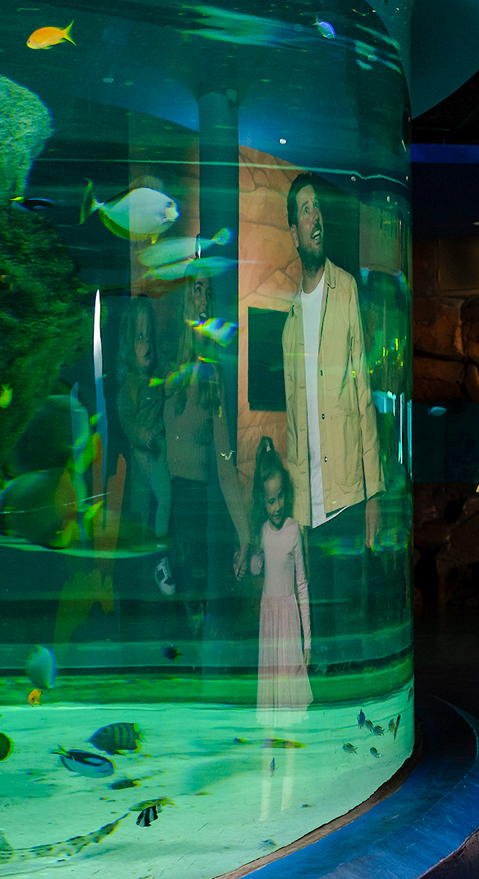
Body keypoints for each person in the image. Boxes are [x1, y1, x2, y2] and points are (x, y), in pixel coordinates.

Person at [281, 171, 383, 671]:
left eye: (318, 206)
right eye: (304, 208)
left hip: (347, 495)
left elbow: (363, 397)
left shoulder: (346, 291)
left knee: (351, 621)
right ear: (294, 229)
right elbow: (293, 427)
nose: (315, 215)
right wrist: (293, 508)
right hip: (308, 505)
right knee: (314, 625)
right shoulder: (288, 319)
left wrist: (373, 495)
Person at [162, 270, 249, 645]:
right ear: (185, 297)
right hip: (159, 508)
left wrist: (245, 536)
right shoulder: (166, 367)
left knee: (188, 627)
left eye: (207, 292)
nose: (203, 298)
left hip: (192, 512)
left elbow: (226, 463)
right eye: (196, 289)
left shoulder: (213, 378)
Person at [248, 436, 313, 726]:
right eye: (270, 500)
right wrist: (254, 557)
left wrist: (308, 641)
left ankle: (291, 745)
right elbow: (254, 570)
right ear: (262, 501)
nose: (277, 506)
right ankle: (272, 742)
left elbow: (302, 585)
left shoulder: (293, 530)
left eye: (281, 497)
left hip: (288, 616)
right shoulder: (261, 530)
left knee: (289, 685)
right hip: (268, 615)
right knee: (273, 681)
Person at [115, 298, 174, 593]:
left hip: (159, 450)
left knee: (165, 499)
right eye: (139, 337)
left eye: (148, 335)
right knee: (139, 506)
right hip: (141, 453)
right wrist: (140, 434)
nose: (146, 343)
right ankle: (143, 560)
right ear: (129, 343)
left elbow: (169, 387)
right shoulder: (129, 385)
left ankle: (160, 558)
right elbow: (125, 417)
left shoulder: (153, 379)